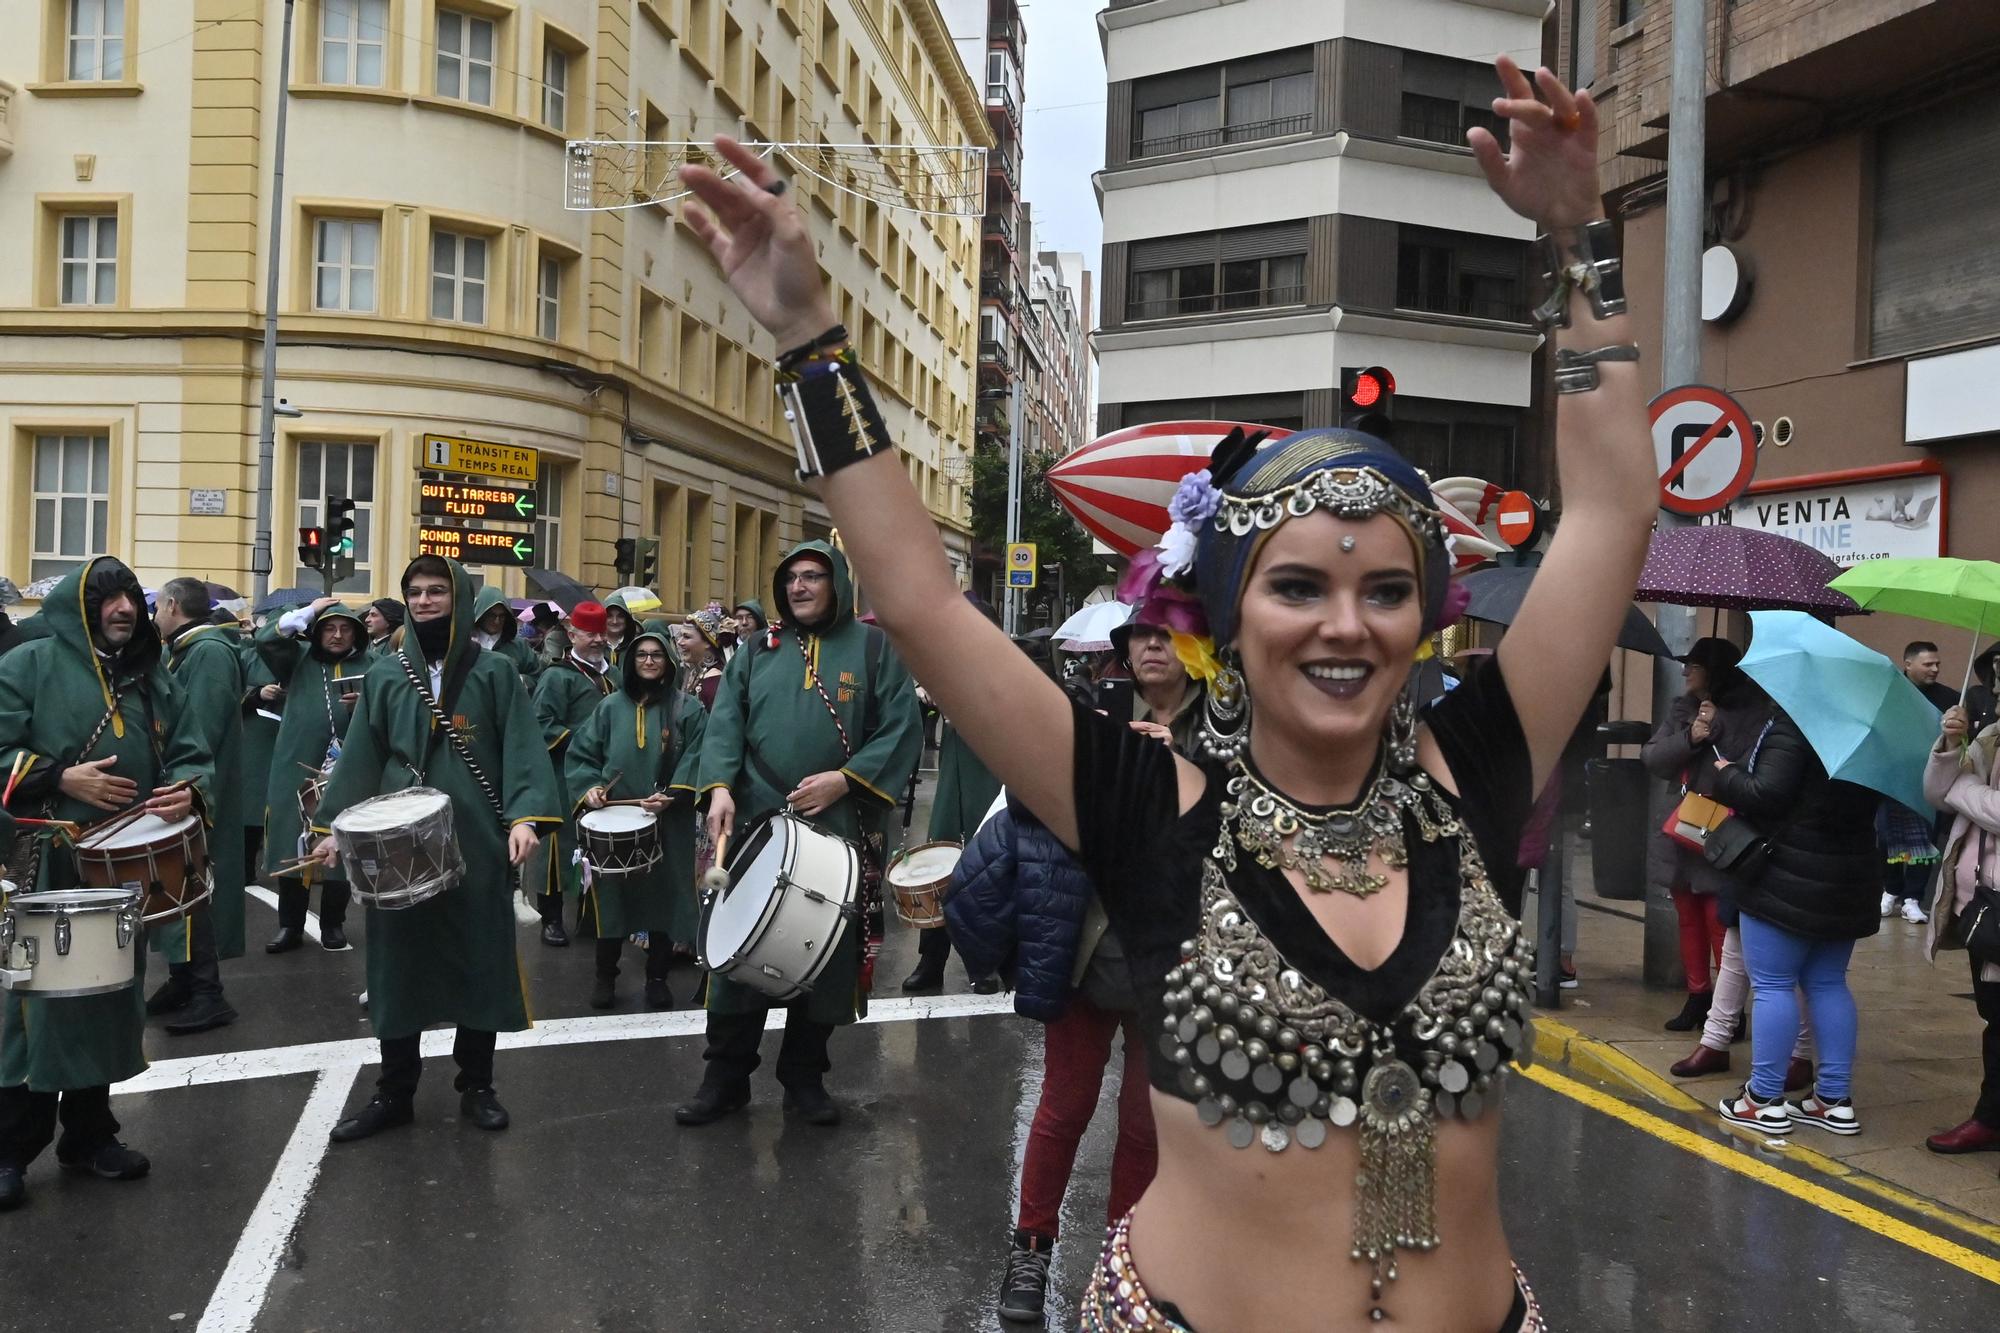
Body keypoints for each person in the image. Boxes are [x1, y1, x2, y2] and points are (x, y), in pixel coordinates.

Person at [675, 57, 1645, 1325]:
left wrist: (1578, 241)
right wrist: (808, 342)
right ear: (1222, 622)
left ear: (1426, 617)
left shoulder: (1476, 767)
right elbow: (916, 599)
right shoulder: (1141, 798)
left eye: (1386, 590)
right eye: (1297, 587)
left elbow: (1615, 508)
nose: (1345, 623)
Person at [309, 556, 561, 1142]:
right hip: (396, 837)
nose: (423, 601)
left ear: (459, 597)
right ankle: (394, 1090)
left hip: (476, 834)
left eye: (436, 591)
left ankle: (478, 1084)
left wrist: (524, 818)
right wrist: (331, 828)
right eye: (415, 592)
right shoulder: (385, 672)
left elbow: (524, 747)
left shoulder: (496, 672)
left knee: (479, 955)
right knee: (398, 961)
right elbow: (362, 756)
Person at [683, 540, 923, 1128]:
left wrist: (846, 781)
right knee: (738, 949)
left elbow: (900, 726)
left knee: (822, 956)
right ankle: (725, 1079)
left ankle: (803, 1079)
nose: (799, 587)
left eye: (812, 576)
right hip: (755, 818)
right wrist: (718, 788)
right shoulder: (754, 651)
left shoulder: (873, 649)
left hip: (837, 823)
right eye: (790, 578)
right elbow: (725, 726)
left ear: (837, 581)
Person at [0, 557, 214, 1209]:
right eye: (108, 597)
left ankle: (89, 1136)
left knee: (101, 1001)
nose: (124, 607)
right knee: (24, 1010)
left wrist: (187, 790)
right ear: (78, 606)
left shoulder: (153, 676)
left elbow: (191, 749)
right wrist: (59, 776)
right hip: (43, 862)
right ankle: (9, 1149)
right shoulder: (26, 665)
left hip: (119, 869)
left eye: (130, 596)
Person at [949, 785, 1158, 1323]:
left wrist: (1178, 770)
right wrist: (1105, 762)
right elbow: (1024, 792)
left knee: (1144, 1126)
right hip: (1082, 953)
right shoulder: (1085, 710)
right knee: (1064, 1109)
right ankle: (1032, 1248)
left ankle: (1123, 1262)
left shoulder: (1217, 723)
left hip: (1168, 963)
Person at [1695, 704, 1880, 1137]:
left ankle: (1761, 1100)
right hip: (1850, 875)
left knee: (1773, 985)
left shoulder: (1797, 724)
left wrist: (1726, 772)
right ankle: (1832, 1101)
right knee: (1829, 983)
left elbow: (1766, 793)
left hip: (1787, 874)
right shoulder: (1866, 730)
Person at [566, 620, 707, 1009]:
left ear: (668, 660)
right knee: (611, 902)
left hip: (667, 818)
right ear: (630, 660)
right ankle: (605, 976)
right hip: (613, 822)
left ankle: (657, 977)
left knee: (663, 899)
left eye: (657, 654)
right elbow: (583, 756)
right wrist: (590, 787)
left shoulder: (687, 709)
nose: (649, 660)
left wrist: (675, 794)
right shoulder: (609, 707)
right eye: (642, 654)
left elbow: (699, 755)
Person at [149, 576, 245, 1033]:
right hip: (185, 790)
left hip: (195, 792)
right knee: (173, 884)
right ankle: (182, 979)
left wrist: (186, 784)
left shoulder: (207, 652)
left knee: (192, 887)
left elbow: (198, 731)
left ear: (170, 605)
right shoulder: (191, 649)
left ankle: (208, 992)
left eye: (156, 608)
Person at [257, 597, 371, 953]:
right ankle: (290, 926)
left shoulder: (375, 665)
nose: (337, 635)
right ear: (317, 633)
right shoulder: (298, 660)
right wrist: (309, 611)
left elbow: (391, 706)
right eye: (329, 629)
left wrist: (366, 702)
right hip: (296, 767)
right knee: (291, 840)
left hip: (347, 769)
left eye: (345, 628)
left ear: (357, 633)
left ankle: (333, 924)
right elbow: (266, 640)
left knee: (341, 844)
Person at [1643, 639, 1743, 1031]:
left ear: (1714, 671)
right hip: (1685, 825)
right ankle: (1697, 997)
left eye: (1694, 665)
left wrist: (1717, 727)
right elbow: (1653, 758)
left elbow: (1745, 762)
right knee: (1687, 915)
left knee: (1718, 920)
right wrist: (1691, 735)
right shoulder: (1682, 709)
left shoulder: (1745, 711)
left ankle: (1729, 1011)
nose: (1685, 672)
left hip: (1722, 826)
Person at [1924, 703, 2000, 1154]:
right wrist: (1951, 747)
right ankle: (1990, 1118)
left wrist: (1963, 786)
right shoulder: (1990, 736)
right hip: (1983, 907)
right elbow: (1936, 792)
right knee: (1995, 1016)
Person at [529, 600, 618, 946]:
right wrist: (580, 743)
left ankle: (588, 913)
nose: (596, 640)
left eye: (601, 633)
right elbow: (542, 724)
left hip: (604, 775)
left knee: (597, 844)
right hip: (562, 774)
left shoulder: (616, 676)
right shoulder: (557, 677)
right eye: (588, 634)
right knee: (557, 846)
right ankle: (551, 919)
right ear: (571, 634)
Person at [1112, 622, 1203, 753]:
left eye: (1168, 634)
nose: (1153, 643)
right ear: (1128, 652)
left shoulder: (1222, 718)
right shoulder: (1096, 709)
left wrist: (1174, 760)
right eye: (1142, 633)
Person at [472, 587, 542, 682]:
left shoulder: (519, 646)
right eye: (492, 615)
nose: (497, 621)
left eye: (502, 616)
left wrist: (520, 680)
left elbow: (537, 677)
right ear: (481, 614)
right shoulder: (465, 642)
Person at [684, 607, 734, 710]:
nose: (680, 642)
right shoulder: (696, 673)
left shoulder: (714, 681)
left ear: (707, 642)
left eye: (687, 637)